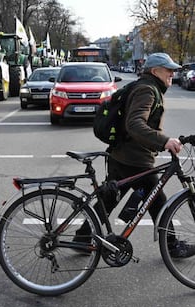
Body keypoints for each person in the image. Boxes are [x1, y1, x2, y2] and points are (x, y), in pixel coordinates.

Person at [75, 52, 195, 258]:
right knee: (159, 201)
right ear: (155, 71)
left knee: (109, 199)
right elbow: (134, 124)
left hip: (120, 154)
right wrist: (164, 140)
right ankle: (172, 245)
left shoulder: (145, 86)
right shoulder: (147, 90)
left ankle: (82, 238)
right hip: (135, 158)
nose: (172, 75)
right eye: (169, 70)